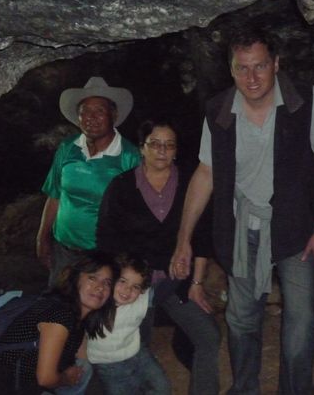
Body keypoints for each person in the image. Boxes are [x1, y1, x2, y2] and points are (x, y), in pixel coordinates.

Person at [171, 25, 314, 395]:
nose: (252, 77)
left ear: (276, 63)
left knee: (301, 320)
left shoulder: (308, 102)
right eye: (242, 68)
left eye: (260, 66)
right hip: (241, 230)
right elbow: (205, 173)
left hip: (296, 229)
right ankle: (245, 388)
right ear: (231, 69)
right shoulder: (218, 110)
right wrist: (183, 239)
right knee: (242, 319)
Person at [97, 119, 221, 395]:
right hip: (135, 287)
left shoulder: (192, 184)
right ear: (142, 148)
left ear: (177, 150)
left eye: (169, 145)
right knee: (134, 348)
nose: (162, 151)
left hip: (176, 283)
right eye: (154, 144)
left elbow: (202, 235)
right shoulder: (122, 187)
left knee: (208, 336)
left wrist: (196, 284)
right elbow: (106, 240)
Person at [0, 254, 119, 395]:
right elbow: (46, 378)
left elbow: (81, 356)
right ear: (76, 278)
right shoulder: (59, 315)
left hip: (16, 383)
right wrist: (66, 378)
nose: (100, 287)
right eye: (92, 277)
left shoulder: (77, 316)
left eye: (107, 283)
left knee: (84, 368)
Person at [36, 77, 140, 286]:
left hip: (104, 255)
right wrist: (42, 238)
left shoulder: (129, 156)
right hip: (64, 249)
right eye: (84, 111)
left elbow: (136, 211)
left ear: (114, 114)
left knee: (95, 312)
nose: (91, 117)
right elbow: (55, 195)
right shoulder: (67, 148)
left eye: (99, 111)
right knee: (58, 309)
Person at [87, 256, 171, 395]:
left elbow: (162, 291)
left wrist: (178, 274)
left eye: (135, 286)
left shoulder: (140, 300)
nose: (127, 289)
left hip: (138, 354)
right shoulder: (95, 300)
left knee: (163, 387)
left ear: (142, 291)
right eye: (122, 281)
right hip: (109, 365)